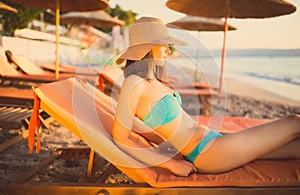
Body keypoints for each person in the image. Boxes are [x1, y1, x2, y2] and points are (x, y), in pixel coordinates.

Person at [112, 17, 300, 177]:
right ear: (149, 46)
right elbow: (121, 138)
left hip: (212, 140)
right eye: (165, 44)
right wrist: (170, 164)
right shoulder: (133, 83)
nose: (169, 50)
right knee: (293, 122)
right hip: (207, 153)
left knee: (295, 147)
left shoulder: (152, 80)